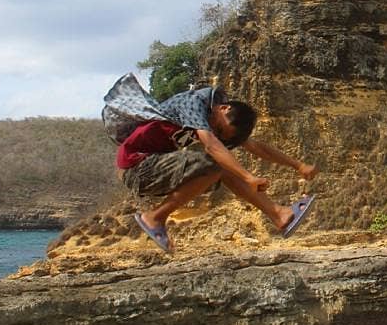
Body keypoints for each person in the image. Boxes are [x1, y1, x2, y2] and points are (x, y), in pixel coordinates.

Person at [102, 73, 318, 252]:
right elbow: (211, 145)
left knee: (221, 168)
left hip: (154, 165)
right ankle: (154, 217)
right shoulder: (194, 102)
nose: (217, 131)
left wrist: (297, 165)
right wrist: (248, 177)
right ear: (223, 108)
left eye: (223, 132)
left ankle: (279, 215)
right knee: (215, 163)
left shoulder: (216, 122)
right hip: (137, 166)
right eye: (220, 128)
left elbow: (255, 147)